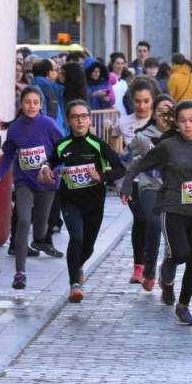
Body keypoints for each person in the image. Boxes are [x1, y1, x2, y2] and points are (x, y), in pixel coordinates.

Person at [120, 101, 192, 325]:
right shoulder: (168, 146)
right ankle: (167, 270)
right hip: (172, 207)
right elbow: (140, 164)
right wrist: (128, 184)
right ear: (177, 123)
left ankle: (183, 306)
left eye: (191, 120)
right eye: (182, 121)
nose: (187, 125)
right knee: (180, 254)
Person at [39, 100, 125, 302]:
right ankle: (74, 285)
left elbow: (121, 168)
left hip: (94, 202)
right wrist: (45, 168)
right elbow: (50, 161)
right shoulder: (63, 145)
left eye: (84, 116)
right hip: (70, 201)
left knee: (88, 247)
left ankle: (77, 265)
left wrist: (101, 177)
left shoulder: (99, 145)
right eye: (75, 117)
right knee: (76, 238)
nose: (80, 120)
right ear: (68, 121)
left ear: (89, 120)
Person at [0, 87, 64, 289]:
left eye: (35, 102)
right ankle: (20, 273)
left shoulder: (48, 124)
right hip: (24, 181)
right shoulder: (14, 129)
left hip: (47, 182)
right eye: (27, 102)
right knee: (23, 221)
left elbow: (62, 150)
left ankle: (40, 240)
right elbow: (8, 154)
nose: (31, 106)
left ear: (41, 105)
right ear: (21, 105)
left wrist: (56, 169)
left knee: (40, 229)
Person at [121, 94, 175, 291]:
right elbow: (124, 157)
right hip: (150, 186)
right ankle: (149, 268)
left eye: (170, 112)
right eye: (161, 112)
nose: (165, 116)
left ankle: (168, 274)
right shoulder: (143, 137)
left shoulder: (181, 136)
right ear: (154, 114)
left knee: (173, 231)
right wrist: (124, 181)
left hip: (174, 188)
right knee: (154, 222)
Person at [110, 77, 160, 283]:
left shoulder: (160, 122)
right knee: (142, 219)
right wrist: (118, 173)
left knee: (150, 221)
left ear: (153, 100)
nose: (142, 106)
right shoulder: (124, 122)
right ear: (131, 100)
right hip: (133, 181)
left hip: (155, 182)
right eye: (138, 101)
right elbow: (114, 146)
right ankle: (140, 266)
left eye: (146, 101)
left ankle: (147, 265)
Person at [31, 59, 65, 131]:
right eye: (55, 70)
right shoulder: (50, 88)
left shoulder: (31, 86)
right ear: (49, 72)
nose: (57, 73)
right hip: (51, 130)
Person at [109, 52, 131, 117]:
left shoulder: (128, 79)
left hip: (125, 113)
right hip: (111, 113)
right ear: (112, 64)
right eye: (118, 63)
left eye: (122, 63)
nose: (120, 66)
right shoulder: (107, 79)